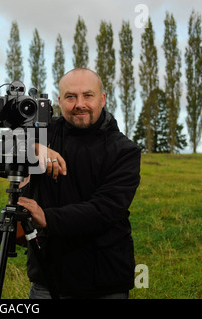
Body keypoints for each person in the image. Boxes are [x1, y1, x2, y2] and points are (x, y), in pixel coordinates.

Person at [17, 68, 141, 299]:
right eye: (71, 97)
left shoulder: (125, 151)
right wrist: (35, 148)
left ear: (102, 99)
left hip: (104, 281)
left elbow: (107, 209)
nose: (79, 104)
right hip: (48, 276)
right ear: (59, 100)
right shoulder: (44, 134)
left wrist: (47, 218)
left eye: (88, 95)